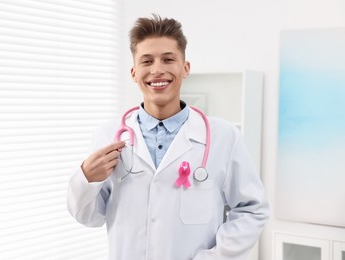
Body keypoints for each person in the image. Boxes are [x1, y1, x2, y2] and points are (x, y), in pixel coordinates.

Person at [67, 14, 269, 260]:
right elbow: (90, 217)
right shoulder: (108, 136)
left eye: (168, 59)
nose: (157, 70)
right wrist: (86, 178)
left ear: (185, 68)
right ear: (133, 72)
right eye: (147, 61)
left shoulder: (224, 137)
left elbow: (252, 210)